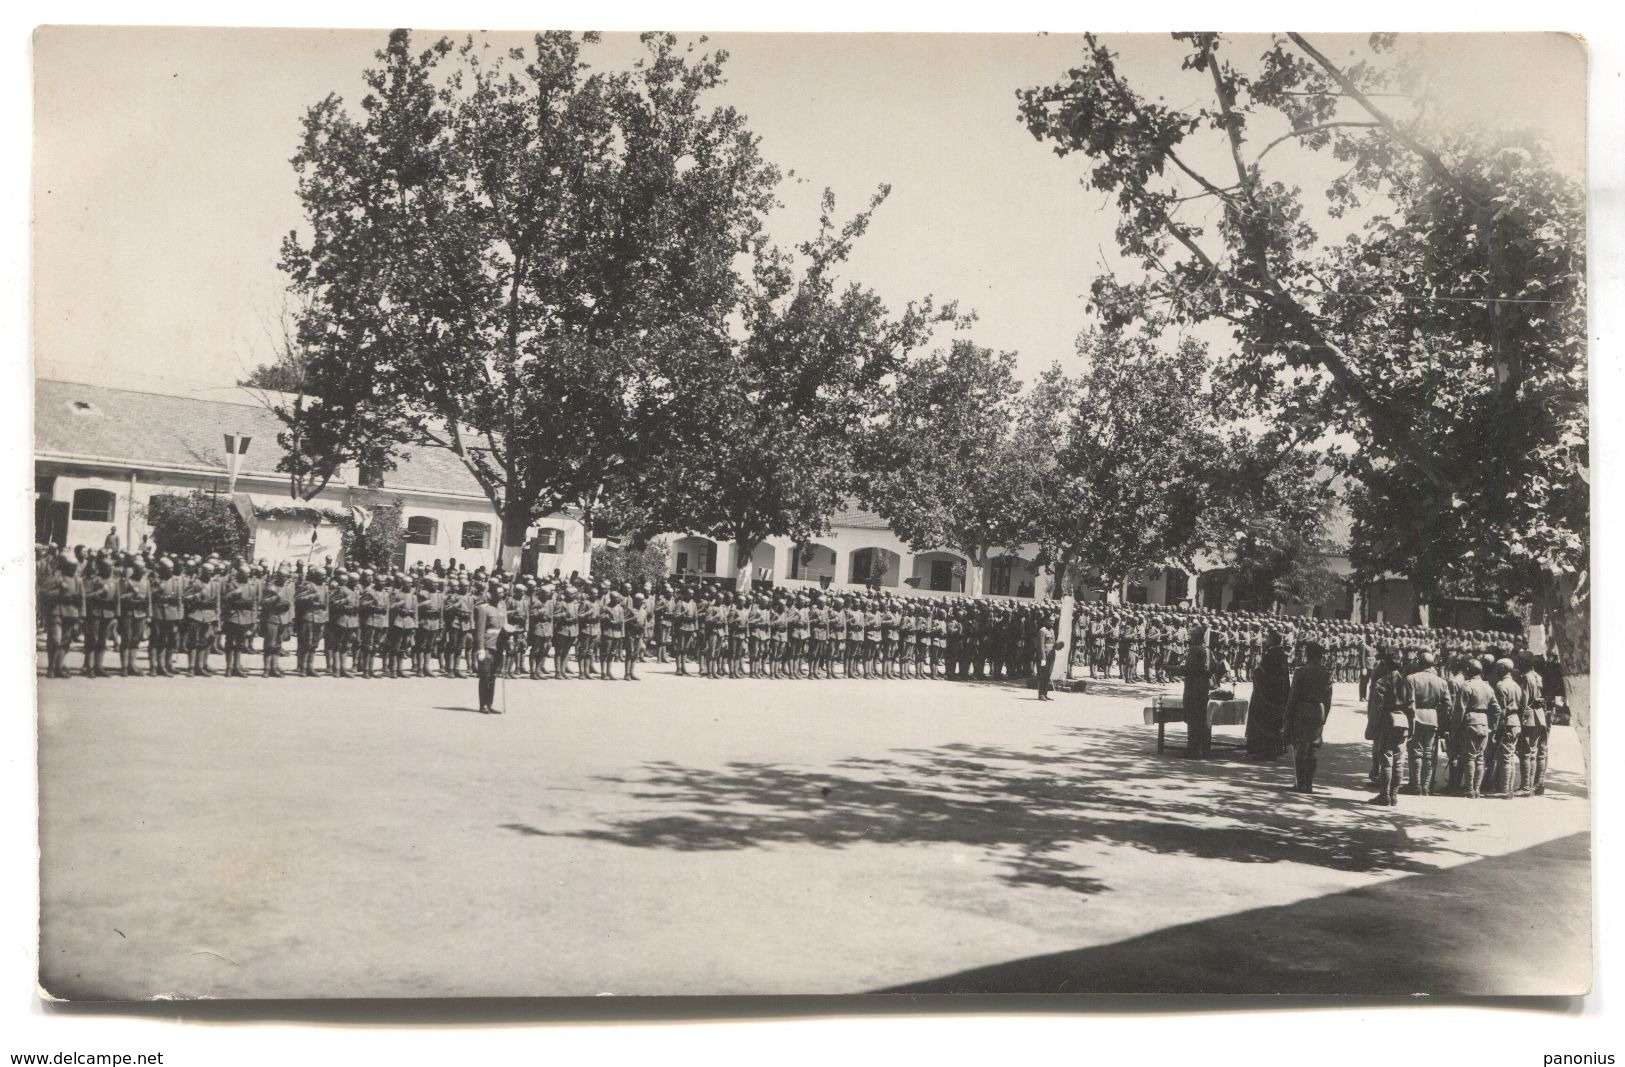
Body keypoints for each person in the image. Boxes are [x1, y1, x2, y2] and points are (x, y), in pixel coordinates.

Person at [1281, 640, 1334, 793]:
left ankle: (1300, 783)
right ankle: (1309, 784)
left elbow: (1293, 696)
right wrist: (1324, 716)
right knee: (1312, 749)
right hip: (1318, 710)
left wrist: (1287, 716)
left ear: (1308, 655)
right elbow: (1328, 698)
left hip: (1302, 710)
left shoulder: (1300, 671)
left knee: (1300, 747)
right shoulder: (1326, 673)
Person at [1403, 651, 1452, 795]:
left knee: (1415, 753)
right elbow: (1447, 705)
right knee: (1429, 754)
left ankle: (1415, 785)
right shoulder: (1441, 682)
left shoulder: (1411, 679)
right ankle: (1426, 786)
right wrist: (1440, 719)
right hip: (1432, 718)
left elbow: (1408, 702)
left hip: (1416, 717)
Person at [1246, 630, 1291, 760]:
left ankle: (1263, 750)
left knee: (1264, 721)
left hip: (1266, 695)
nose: (1265, 640)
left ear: (1272, 640)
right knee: (1273, 723)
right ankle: (1273, 750)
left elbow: (1263, 673)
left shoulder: (1271, 655)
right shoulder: (1280, 654)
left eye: (1267, 638)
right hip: (1277, 694)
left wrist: (1256, 672)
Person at [1181, 625, 1213, 759]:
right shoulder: (1208, 650)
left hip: (1193, 686)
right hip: (1204, 686)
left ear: (1195, 637)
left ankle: (1193, 749)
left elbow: (1188, 668)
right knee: (1201, 717)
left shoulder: (1193, 649)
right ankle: (1204, 748)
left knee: (1192, 717)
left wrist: (1169, 668)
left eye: (1191, 635)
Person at [474, 585, 504, 714]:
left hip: (499, 646)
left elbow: (504, 628)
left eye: (503, 593)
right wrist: (480, 649)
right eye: (498, 593)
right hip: (487, 646)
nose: (501, 595)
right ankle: (483, 705)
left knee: (493, 676)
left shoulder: (502, 608)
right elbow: (479, 631)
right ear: (491, 595)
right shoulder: (484, 609)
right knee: (485, 676)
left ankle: (490, 704)